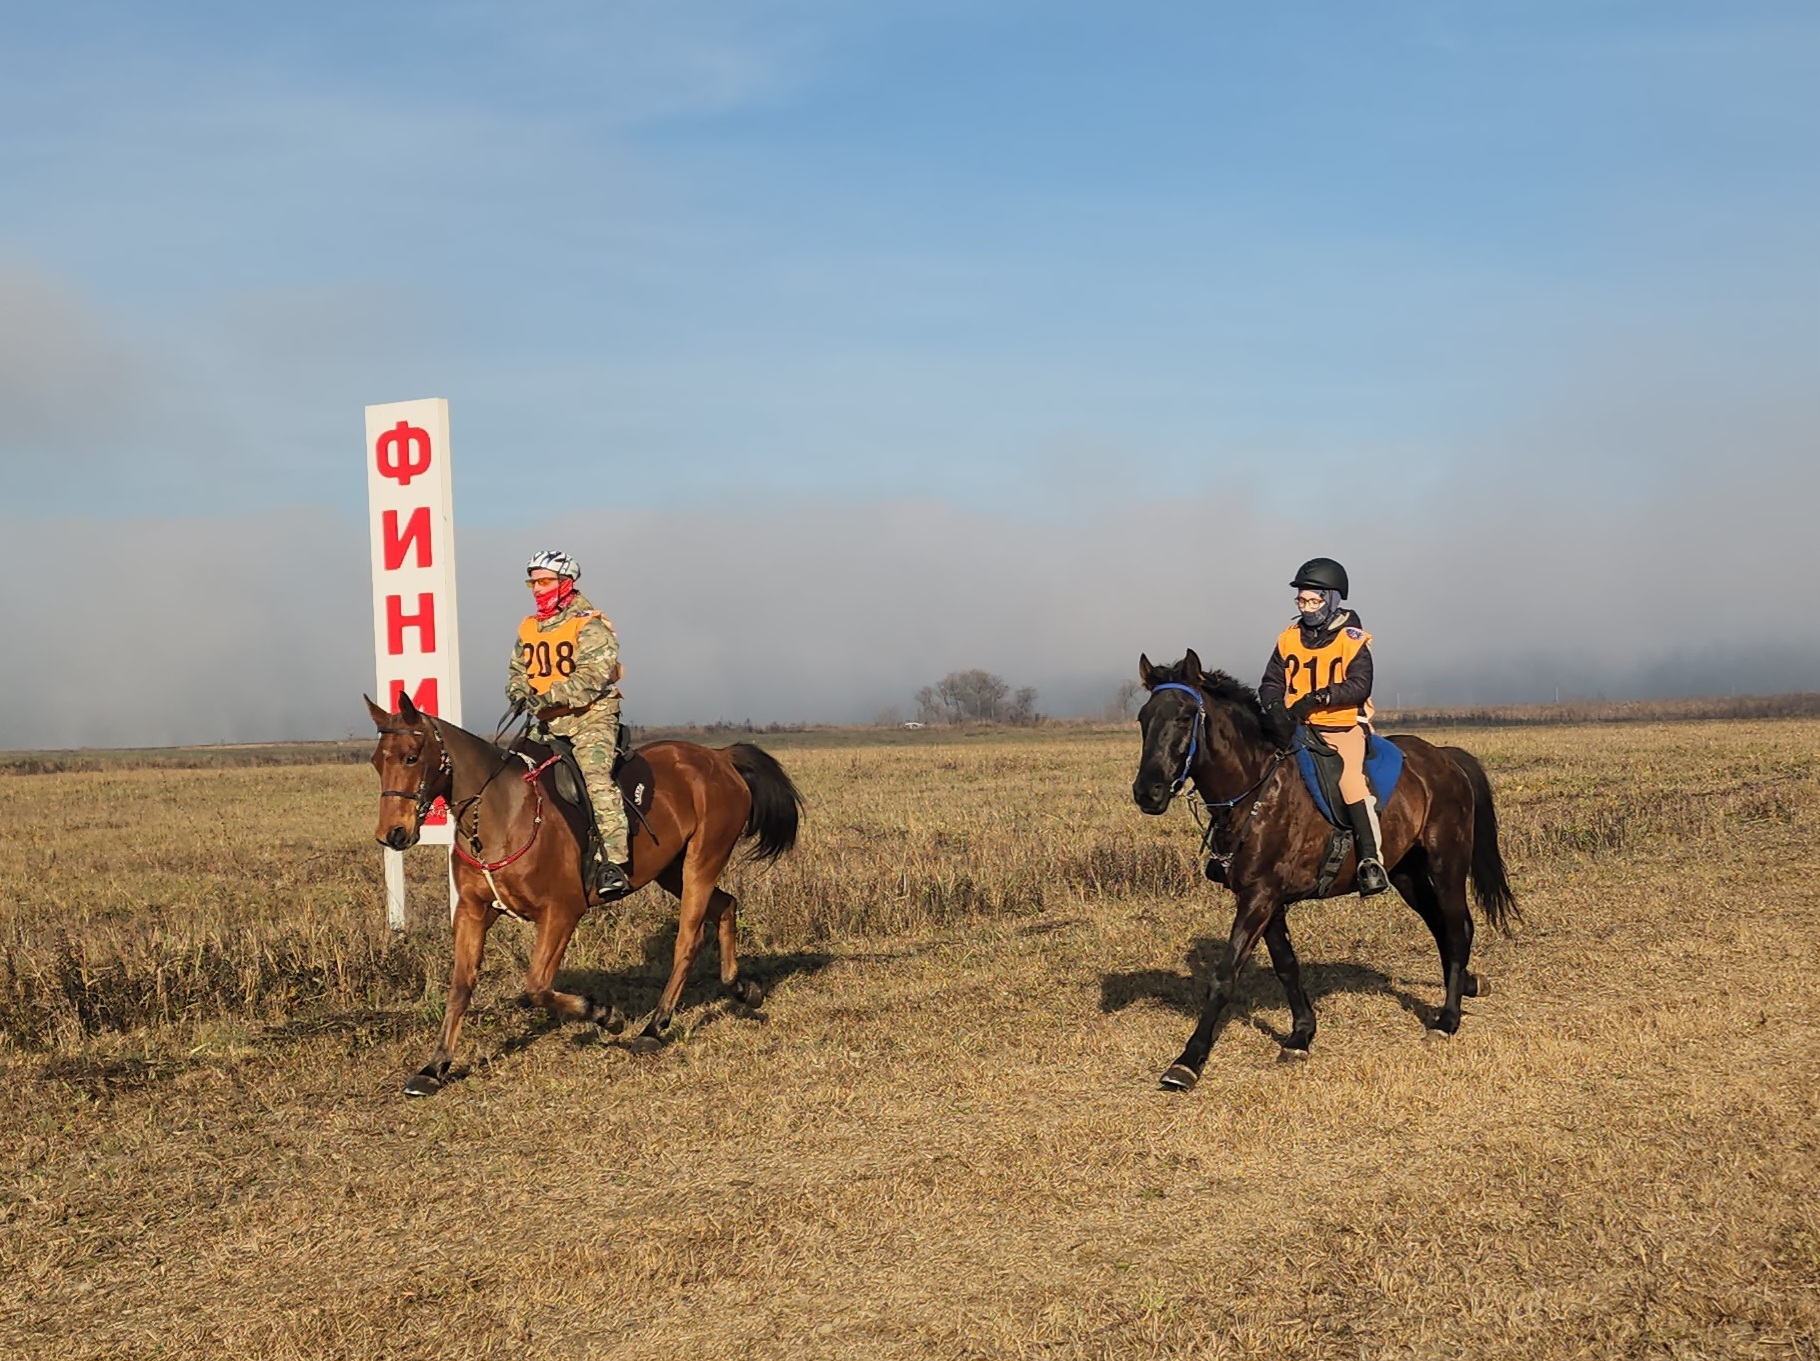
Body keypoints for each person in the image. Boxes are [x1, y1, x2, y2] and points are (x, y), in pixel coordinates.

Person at [1257, 557, 1389, 896]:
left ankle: (1371, 862)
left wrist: (1319, 697)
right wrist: (1274, 706)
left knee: (1350, 782)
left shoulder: (1352, 639)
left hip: (1341, 727)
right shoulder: (1288, 638)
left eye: (1313, 600)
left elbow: (1360, 685)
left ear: (1331, 599)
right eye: (1301, 600)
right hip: (1297, 727)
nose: (1306, 607)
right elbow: (1271, 681)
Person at [506, 550, 632, 899]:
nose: (537, 589)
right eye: (533, 582)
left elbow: (593, 676)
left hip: (589, 717)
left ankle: (613, 864)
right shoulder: (529, 627)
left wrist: (545, 697)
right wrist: (519, 692)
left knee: (595, 778)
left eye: (545, 581)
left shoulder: (590, 624)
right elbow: (517, 672)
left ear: (566, 583)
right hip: (545, 722)